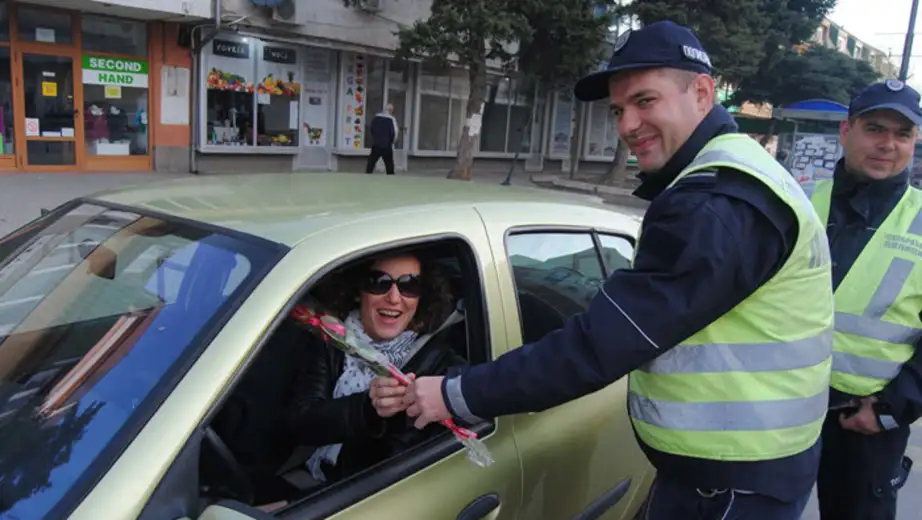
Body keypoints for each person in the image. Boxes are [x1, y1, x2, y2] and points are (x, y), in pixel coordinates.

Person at [403, 20, 835, 520]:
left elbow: (600, 345)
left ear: (701, 92)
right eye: (618, 110)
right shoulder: (731, 178)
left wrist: (456, 393)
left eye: (645, 101)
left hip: (730, 486)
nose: (627, 124)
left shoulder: (716, 203)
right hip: (742, 469)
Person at [809, 80, 922, 520]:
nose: (887, 145)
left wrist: (891, 410)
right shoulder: (797, 204)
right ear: (846, 131)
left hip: (865, 424)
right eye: (875, 129)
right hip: (778, 410)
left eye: (902, 134)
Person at [286, 251, 465, 485]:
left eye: (409, 285)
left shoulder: (438, 362)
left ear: (422, 296)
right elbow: (301, 421)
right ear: (358, 291)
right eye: (379, 283)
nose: (393, 298)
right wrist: (367, 409)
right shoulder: (330, 336)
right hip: (311, 476)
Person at [366, 103, 399, 174]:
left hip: (376, 144)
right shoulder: (391, 119)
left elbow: (372, 129)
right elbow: (395, 133)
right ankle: (390, 177)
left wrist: (375, 138)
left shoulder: (376, 117)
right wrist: (392, 142)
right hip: (386, 145)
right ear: (391, 111)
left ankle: (367, 175)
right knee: (389, 164)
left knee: (371, 162)